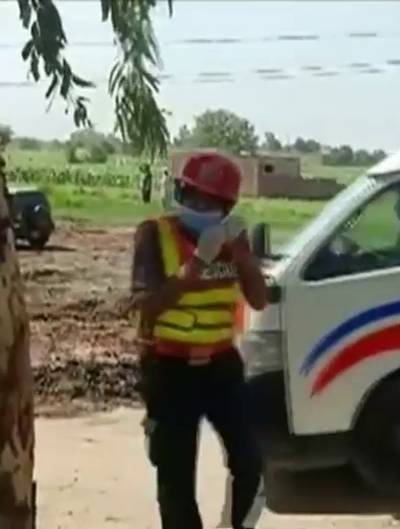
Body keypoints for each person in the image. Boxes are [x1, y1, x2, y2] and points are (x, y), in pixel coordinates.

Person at [125, 152, 268, 529]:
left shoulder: (233, 238)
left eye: (208, 202)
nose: (197, 207)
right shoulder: (154, 234)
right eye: (191, 197)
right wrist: (193, 270)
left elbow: (259, 299)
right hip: (169, 367)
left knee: (250, 461)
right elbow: (146, 305)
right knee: (175, 479)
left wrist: (244, 258)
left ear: (226, 207)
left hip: (222, 366)